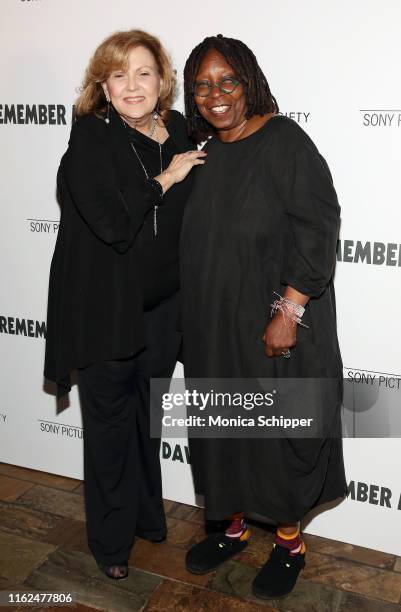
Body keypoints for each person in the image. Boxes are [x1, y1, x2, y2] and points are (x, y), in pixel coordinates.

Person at [181, 34, 347, 600]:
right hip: (213, 327)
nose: (215, 94)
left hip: (275, 326)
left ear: (248, 81)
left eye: (227, 80)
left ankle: (288, 543)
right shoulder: (205, 151)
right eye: (202, 85)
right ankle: (230, 528)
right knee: (222, 431)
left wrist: (289, 311)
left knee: (277, 437)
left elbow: (319, 227)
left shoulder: (284, 141)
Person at [44, 29, 205, 580]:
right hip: (106, 312)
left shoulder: (180, 129)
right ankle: (111, 544)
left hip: (164, 311)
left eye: (143, 72)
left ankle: (146, 519)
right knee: (111, 428)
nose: (132, 85)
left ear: (163, 81)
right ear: (104, 87)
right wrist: (167, 178)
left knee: (147, 423)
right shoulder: (90, 140)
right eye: (119, 75)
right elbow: (113, 225)